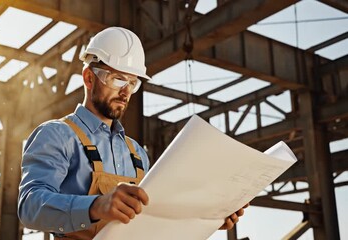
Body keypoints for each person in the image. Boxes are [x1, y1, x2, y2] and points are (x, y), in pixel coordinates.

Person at [18, 26, 247, 240]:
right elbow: (29, 206)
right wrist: (96, 206)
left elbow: (154, 220)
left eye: (133, 82)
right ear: (89, 78)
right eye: (118, 78)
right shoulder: (57, 135)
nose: (126, 91)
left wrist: (207, 218)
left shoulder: (136, 153)